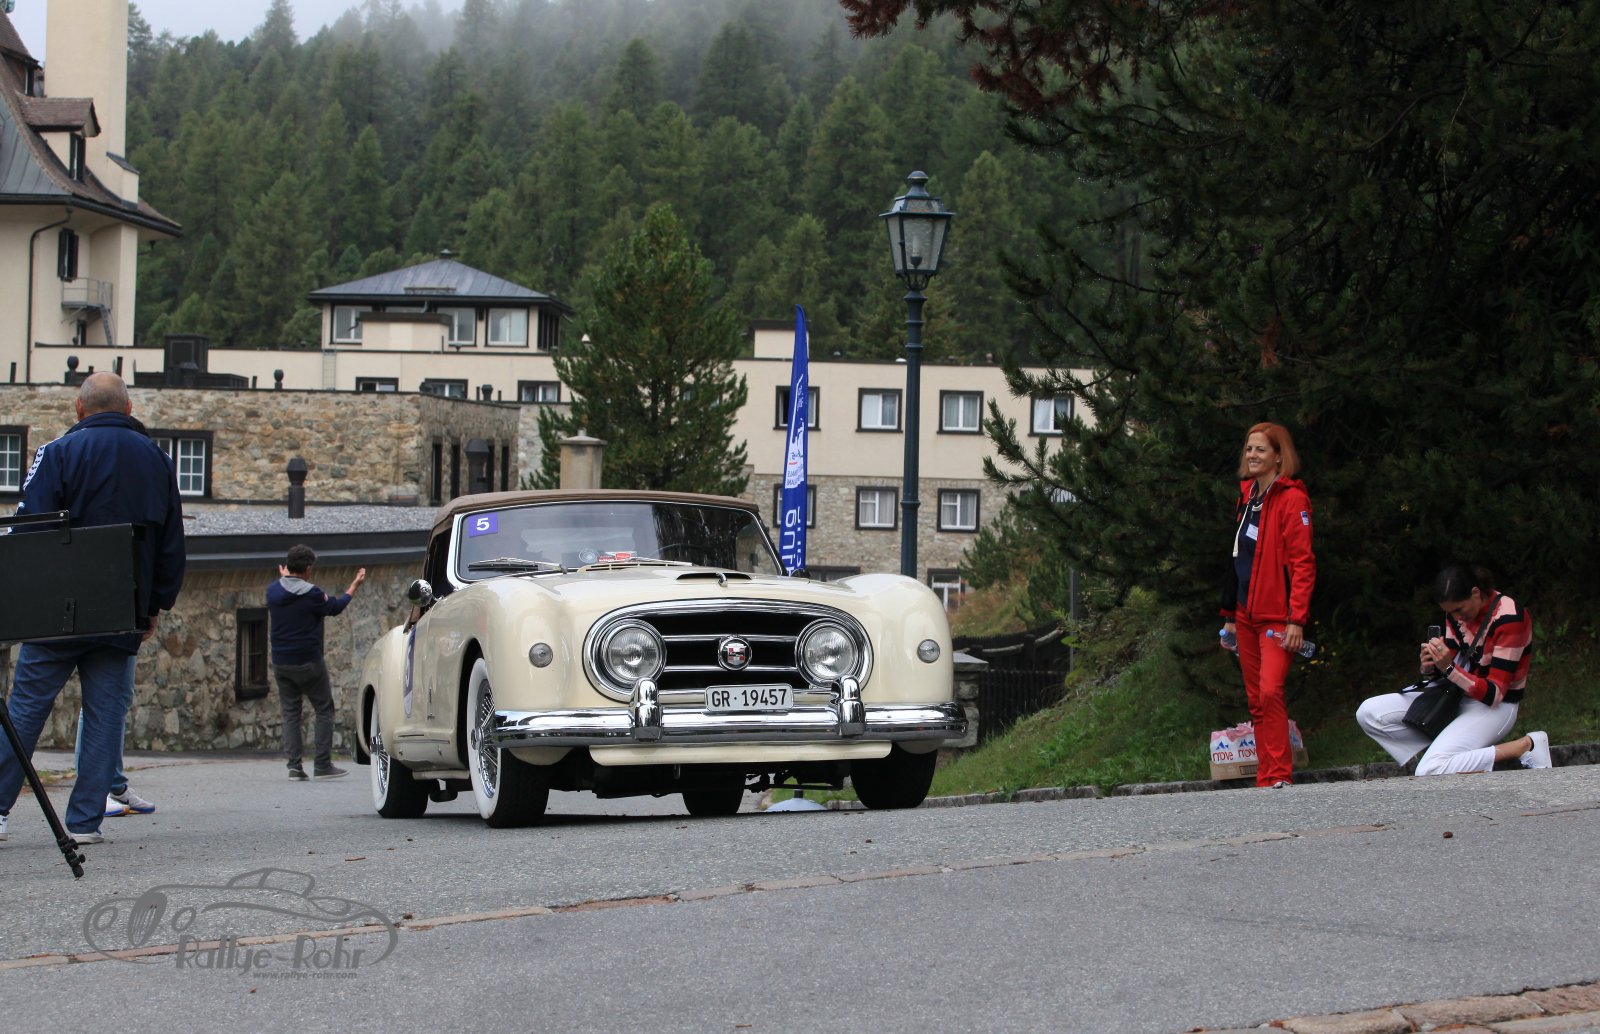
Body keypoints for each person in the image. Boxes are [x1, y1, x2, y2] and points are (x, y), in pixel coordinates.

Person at [0, 373, 186, 846]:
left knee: (25, 710)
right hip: (122, 607)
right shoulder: (159, 461)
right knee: (105, 715)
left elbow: (28, 529)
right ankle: (84, 822)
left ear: (78, 409)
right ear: (129, 409)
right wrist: (154, 605)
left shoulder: (57, 453)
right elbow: (171, 542)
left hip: (56, 610)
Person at [1356, 564, 1550, 775]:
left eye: (1459, 610)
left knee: (1429, 770)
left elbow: (1495, 694)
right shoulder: (1456, 615)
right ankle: (1445, 753)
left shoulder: (1510, 619)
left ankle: (1525, 745)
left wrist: (1448, 668)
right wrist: (1430, 666)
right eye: (1449, 613)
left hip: (1495, 708)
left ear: (1476, 592)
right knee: (1369, 713)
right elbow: (1452, 666)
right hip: (1454, 697)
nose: (1456, 618)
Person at [1219, 421, 1316, 788]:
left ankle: (1279, 774)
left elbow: (1303, 564)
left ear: (1278, 456)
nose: (1252, 455)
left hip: (1278, 616)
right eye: (1249, 449)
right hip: (1245, 614)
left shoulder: (1292, 499)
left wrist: (1297, 619)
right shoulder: (1247, 496)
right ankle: (1266, 777)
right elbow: (1237, 559)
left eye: (1261, 449)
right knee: (1256, 698)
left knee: (1271, 690)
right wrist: (1229, 615)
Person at [267, 545, 365, 780]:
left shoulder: (272, 591)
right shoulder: (312, 594)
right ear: (309, 568)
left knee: (291, 713)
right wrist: (354, 585)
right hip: (308, 661)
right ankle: (322, 765)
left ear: (287, 565)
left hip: (281, 662)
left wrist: (285, 578)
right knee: (323, 709)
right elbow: (336, 607)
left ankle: (294, 767)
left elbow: (286, 589)